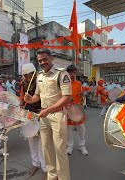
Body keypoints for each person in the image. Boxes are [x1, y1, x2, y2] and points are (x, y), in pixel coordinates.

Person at [24, 49, 71, 180]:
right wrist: (30, 99)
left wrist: (48, 110)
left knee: (60, 150)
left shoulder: (62, 74)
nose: (42, 62)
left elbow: (67, 97)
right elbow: (37, 96)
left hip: (57, 115)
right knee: (46, 148)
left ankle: (63, 177)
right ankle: (52, 176)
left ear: (51, 58)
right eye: (40, 61)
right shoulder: (39, 76)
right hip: (44, 116)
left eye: (45, 59)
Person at [19, 63, 47, 179]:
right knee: (31, 140)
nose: (27, 77)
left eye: (29, 74)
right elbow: (21, 100)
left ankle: (46, 169)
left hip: (41, 113)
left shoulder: (42, 82)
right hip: (29, 113)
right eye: (25, 75)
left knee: (42, 143)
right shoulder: (23, 85)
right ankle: (35, 164)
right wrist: (19, 107)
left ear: (34, 73)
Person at [66, 65, 89, 156]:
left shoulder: (79, 84)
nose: (73, 75)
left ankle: (81, 145)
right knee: (69, 128)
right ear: (67, 73)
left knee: (81, 127)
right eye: (71, 73)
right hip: (67, 108)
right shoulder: (64, 83)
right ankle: (70, 146)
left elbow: (81, 95)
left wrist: (82, 95)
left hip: (77, 108)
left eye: (74, 73)